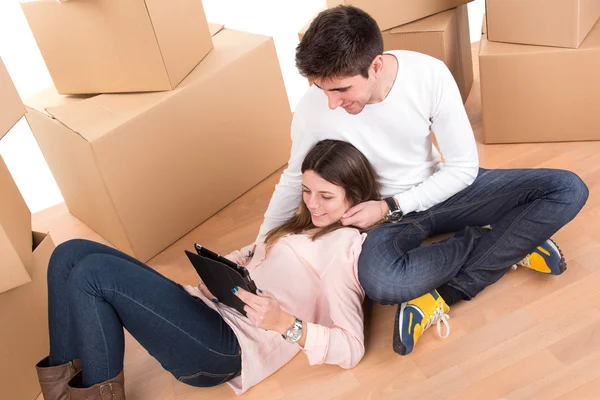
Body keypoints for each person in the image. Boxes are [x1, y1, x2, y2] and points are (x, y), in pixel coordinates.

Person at [253, 5, 589, 356]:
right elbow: (293, 179)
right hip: (379, 220)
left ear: (376, 66)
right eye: (323, 90)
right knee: (383, 283)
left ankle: (447, 292)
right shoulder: (314, 108)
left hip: (439, 190)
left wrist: (392, 205)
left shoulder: (428, 75)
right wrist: (261, 247)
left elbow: (461, 167)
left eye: (341, 89)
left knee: (568, 189)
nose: (332, 103)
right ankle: (510, 241)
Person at [34, 140, 380, 399]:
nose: (313, 203)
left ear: (354, 196)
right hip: (209, 310)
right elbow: (256, 256)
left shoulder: (344, 247)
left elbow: (351, 349)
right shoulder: (302, 225)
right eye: (306, 191)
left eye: (326, 196)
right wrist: (224, 266)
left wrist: (286, 324)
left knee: (92, 274)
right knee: (68, 253)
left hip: (227, 346)